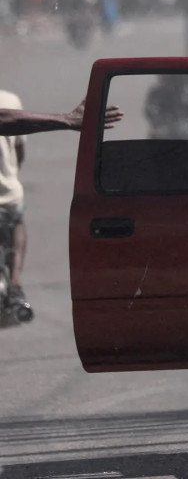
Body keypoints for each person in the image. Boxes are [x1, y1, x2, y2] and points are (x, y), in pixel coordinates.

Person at [0, 95, 123, 321]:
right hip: (9, 196)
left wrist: (66, 120)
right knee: (17, 219)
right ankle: (16, 285)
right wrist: (65, 120)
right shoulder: (9, 98)